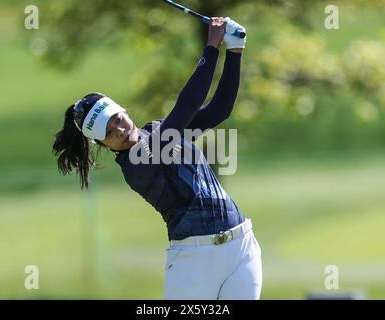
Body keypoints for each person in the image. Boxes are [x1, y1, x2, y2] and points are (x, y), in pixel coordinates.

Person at [52, 17, 262, 300]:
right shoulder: (135, 163)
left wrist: (235, 50)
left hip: (241, 248)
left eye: (116, 119)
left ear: (123, 110)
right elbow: (186, 107)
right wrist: (212, 47)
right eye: (108, 132)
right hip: (193, 264)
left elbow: (219, 110)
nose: (119, 130)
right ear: (101, 143)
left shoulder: (156, 130)